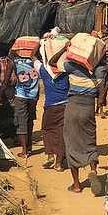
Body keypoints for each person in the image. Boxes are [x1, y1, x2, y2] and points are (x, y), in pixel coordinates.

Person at [49, 40, 108, 195]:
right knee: (90, 141)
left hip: (73, 106)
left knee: (71, 143)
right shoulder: (102, 69)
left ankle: (76, 185)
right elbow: (103, 59)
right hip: (88, 107)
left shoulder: (72, 66)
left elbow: (52, 63)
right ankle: (93, 170)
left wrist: (64, 48)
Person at [33, 43, 69, 171]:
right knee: (62, 134)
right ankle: (59, 164)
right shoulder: (66, 70)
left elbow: (32, 55)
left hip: (50, 107)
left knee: (47, 129)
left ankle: (50, 156)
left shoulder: (43, 69)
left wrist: (40, 42)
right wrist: (64, 48)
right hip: (65, 106)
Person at [0, 43, 40, 159]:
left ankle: (24, 151)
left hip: (21, 95)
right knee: (30, 120)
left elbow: (6, 81)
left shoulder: (13, 62)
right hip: (34, 95)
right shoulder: (36, 61)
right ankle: (29, 145)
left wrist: (1, 95)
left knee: (21, 121)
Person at [0, 42, 16, 139]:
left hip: (0, 90)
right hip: (12, 90)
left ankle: (1, 134)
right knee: (12, 112)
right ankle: (13, 134)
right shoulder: (13, 62)